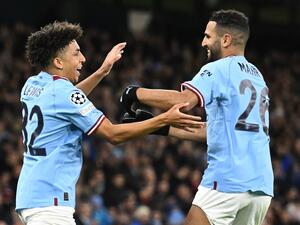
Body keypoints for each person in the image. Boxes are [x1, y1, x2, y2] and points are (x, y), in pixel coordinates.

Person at [15, 21, 205, 225]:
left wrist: (102, 72)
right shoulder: (62, 93)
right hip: (49, 203)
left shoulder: (33, 85)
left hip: (30, 196)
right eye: (76, 53)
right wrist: (163, 119)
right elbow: (113, 134)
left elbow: (65, 101)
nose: (83, 58)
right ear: (59, 62)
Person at [120, 9, 274, 225]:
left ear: (226, 39)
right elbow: (216, 132)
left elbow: (185, 100)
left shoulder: (219, 68)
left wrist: (135, 93)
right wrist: (162, 127)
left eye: (208, 36)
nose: (203, 43)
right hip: (261, 186)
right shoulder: (258, 76)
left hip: (227, 179)